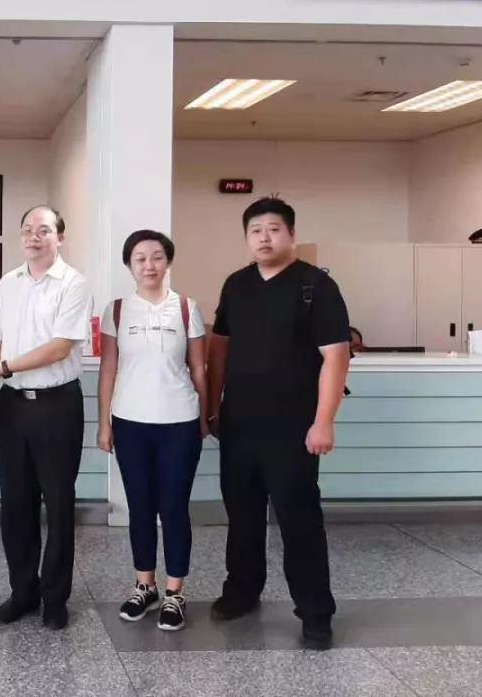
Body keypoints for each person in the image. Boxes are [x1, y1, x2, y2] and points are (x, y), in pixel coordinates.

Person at [206, 196, 350, 650]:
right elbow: (219, 349)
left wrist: (323, 422)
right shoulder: (237, 285)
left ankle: (315, 613)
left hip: (293, 428)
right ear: (246, 238)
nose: (264, 238)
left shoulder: (316, 286)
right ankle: (242, 591)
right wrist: (212, 407)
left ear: (290, 234)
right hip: (239, 424)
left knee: (299, 520)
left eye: (273, 229)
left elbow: (336, 357)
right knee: (242, 516)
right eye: (255, 231)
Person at [0, 205, 93, 631]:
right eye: (27, 230)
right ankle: (22, 591)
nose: (34, 237)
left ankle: (55, 599)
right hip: (12, 407)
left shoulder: (74, 284)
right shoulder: (9, 283)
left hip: (57, 406)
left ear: (60, 236)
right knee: (16, 504)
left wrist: (3, 367)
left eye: (44, 230)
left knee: (58, 504)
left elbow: (60, 347)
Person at [96, 230, 208, 632]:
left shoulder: (187, 308)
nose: (149, 265)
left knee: (174, 506)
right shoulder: (117, 310)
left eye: (157, 257)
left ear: (168, 262)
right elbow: (108, 368)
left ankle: (175, 592)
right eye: (140, 258)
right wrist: (104, 422)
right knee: (139, 506)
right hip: (130, 422)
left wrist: (204, 417)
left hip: (179, 421)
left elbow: (199, 368)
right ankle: (145, 586)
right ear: (129, 265)